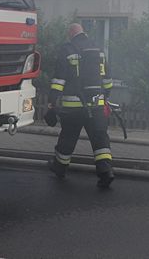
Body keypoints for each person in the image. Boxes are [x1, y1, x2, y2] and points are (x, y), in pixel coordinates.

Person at [46, 23, 115, 187]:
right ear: (83, 32)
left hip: (73, 107)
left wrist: (52, 101)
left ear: (71, 33)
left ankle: (59, 167)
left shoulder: (68, 49)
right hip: (96, 105)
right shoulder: (98, 49)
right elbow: (107, 79)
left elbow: (59, 80)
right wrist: (104, 96)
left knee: (68, 137)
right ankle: (106, 171)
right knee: (100, 138)